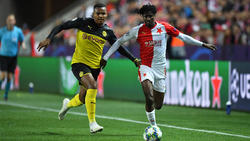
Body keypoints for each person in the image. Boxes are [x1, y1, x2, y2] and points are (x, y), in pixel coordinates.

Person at [101, 4, 216, 128]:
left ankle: (152, 116)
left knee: (158, 105)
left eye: (150, 16)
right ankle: (153, 126)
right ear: (143, 17)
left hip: (160, 69)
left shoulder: (164, 27)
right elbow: (119, 42)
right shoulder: (138, 30)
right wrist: (105, 57)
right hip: (145, 67)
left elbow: (182, 37)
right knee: (149, 98)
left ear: (154, 16)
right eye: (145, 17)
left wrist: (203, 44)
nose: (148, 19)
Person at [37, 3, 140, 133]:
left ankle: (67, 105)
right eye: (98, 13)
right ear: (93, 14)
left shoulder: (108, 31)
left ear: (106, 15)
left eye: (103, 13)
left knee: (82, 98)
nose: (101, 16)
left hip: (95, 67)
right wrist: (49, 38)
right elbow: (61, 26)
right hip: (79, 63)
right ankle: (92, 123)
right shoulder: (83, 23)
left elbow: (119, 47)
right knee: (92, 85)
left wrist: (134, 59)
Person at [0, 14, 25, 101]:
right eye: (9, 20)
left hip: (13, 57)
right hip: (3, 56)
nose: (11, 22)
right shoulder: (2, 31)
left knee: (10, 77)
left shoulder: (18, 31)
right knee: (3, 76)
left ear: (14, 21)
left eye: (12, 20)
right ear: (7, 21)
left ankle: (6, 95)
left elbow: (22, 41)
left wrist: (23, 45)